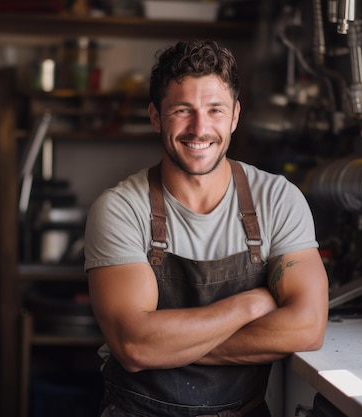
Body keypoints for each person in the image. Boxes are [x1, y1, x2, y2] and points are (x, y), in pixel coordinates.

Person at [84, 39, 329, 417]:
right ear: (155, 116)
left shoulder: (278, 199)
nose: (200, 128)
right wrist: (251, 303)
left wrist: (169, 347)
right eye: (183, 110)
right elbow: (134, 346)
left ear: (234, 116)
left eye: (215, 110)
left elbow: (308, 327)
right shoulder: (120, 208)